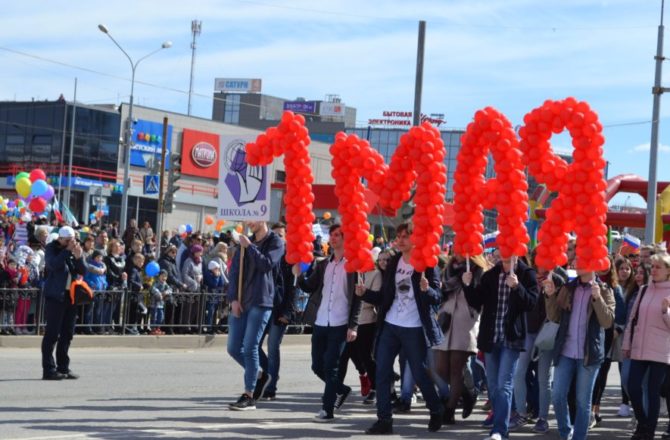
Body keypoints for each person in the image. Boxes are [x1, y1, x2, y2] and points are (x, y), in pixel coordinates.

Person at [356, 222, 445, 435]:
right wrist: (365, 293)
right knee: (382, 371)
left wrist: (428, 290)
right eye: (399, 235)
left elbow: (437, 298)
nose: (402, 239)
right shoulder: (395, 261)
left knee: (419, 373)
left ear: (416, 239)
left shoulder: (426, 263)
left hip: (414, 328)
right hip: (390, 325)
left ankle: (436, 409)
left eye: (406, 236)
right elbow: (386, 296)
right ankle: (384, 420)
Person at [462, 253, 539, 440]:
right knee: (494, 386)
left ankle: (499, 431)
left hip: (511, 339)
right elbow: (475, 301)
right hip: (491, 338)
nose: (502, 254)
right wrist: (467, 285)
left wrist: (517, 287)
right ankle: (500, 423)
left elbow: (531, 303)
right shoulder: (490, 275)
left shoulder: (527, 274)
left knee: (504, 384)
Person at [295, 223, 362, 422]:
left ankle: (327, 410)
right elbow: (309, 287)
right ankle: (341, 390)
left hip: (341, 323)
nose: (333, 238)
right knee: (317, 366)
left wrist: (353, 326)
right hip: (321, 321)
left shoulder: (353, 265)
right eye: (332, 235)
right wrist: (298, 275)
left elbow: (358, 298)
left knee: (332, 366)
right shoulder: (324, 264)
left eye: (338, 235)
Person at [545, 267, 615, 440]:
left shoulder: (604, 290)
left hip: (589, 355)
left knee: (583, 402)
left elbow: (607, 322)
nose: (579, 263)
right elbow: (553, 316)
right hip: (565, 351)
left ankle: (579, 437)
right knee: (558, 395)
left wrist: (597, 298)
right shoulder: (568, 288)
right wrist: (550, 296)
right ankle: (565, 432)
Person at [226, 221, 284, 411]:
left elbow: (266, 264)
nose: (249, 223)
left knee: (251, 346)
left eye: (252, 219)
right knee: (234, 347)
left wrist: (249, 247)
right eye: (247, 220)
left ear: (263, 218)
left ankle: (248, 394)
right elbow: (234, 273)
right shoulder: (246, 242)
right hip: (242, 301)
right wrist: (233, 299)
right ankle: (259, 373)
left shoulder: (275, 241)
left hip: (261, 301)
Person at [433, 254, 486, 425]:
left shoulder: (479, 270)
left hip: (466, 321)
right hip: (446, 319)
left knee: (457, 370)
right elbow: (440, 294)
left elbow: (479, 300)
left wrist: (468, 283)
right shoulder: (448, 269)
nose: (459, 250)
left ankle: (449, 411)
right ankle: (467, 394)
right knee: (440, 368)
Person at [622, 253, 670, 440]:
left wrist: (666, 311)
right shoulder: (643, 290)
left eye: (659, 267)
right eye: (653, 266)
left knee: (652, 391)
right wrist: (627, 345)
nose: (654, 270)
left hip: (660, 350)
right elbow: (632, 320)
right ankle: (643, 422)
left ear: (668, 271)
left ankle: (648, 431)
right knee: (632, 387)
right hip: (639, 348)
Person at [41, 226, 86, 380]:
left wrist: (79, 257)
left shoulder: (73, 250)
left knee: (67, 333)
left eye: (72, 240)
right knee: (52, 334)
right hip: (55, 296)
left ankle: (63, 367)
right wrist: (67, 251)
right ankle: (49, 369)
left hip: (71, 296)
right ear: (60, 238)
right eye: (67, 240)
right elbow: (53, 265)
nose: (71, 243)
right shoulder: (51, 248)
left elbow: (82, 271)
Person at [258, 222, 296, 400]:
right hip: (263, 307)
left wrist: (287, 312)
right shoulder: (268, 255)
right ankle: (270, 373)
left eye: (281, 235)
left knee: (273, 347)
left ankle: (271, 386)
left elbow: (292, 289)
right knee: (253, 345)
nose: (278, 238)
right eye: (275, 235)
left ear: (286, 238)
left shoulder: (290, 259)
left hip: (279, 310)